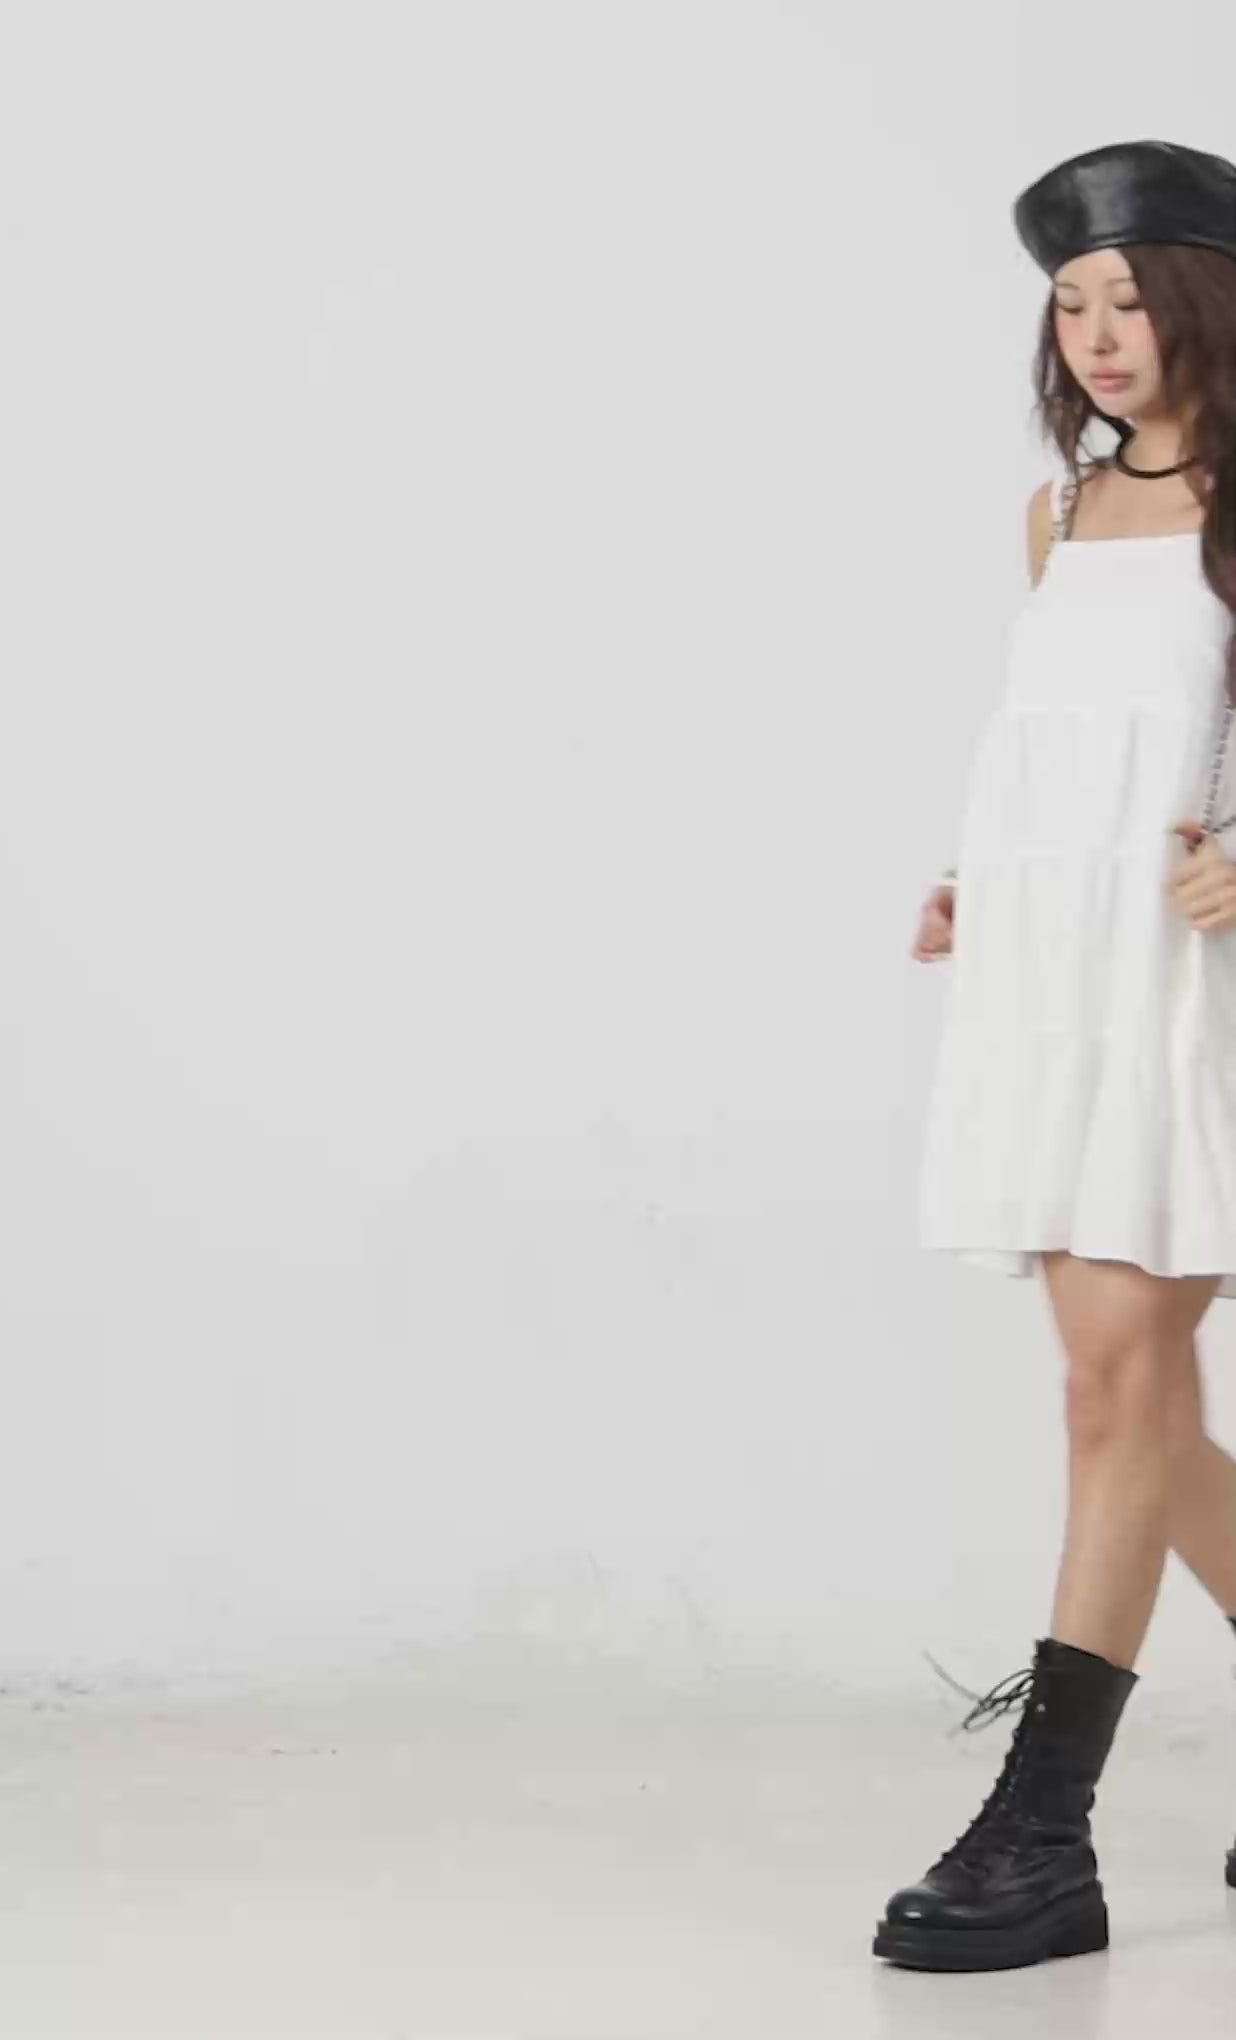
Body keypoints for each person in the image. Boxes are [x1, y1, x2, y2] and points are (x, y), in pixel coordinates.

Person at [876, 137, 1236, 1974]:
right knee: (1136, 1402)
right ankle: (1047, 1834)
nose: (1099, 333)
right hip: (1064, 981)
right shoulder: (1062, 515)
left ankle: (1041, 1837)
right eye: (1072, 304)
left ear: (1205, 306)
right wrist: (984, 876)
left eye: (1132, 300)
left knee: (1115, 1392)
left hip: (1201, 987)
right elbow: (1060, 739)